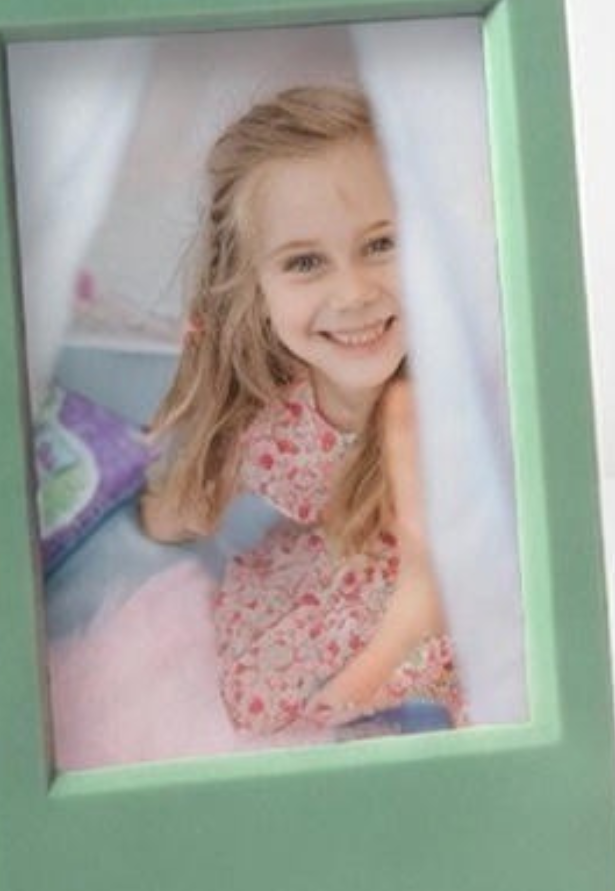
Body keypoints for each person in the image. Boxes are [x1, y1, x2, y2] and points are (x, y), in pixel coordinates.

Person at [140, 84, 464, 736]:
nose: (354, 294)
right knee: (260, 691)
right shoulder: (273, 426)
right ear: (253, 291)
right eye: (306, 262)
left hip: (445, 591)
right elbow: (178, 511)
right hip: (337, 584)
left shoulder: (458, 404)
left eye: (380, 244)